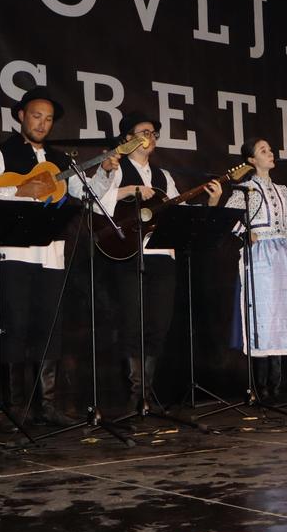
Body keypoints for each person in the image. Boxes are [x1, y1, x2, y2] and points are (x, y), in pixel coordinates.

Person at [0, 86, 85, 427]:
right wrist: (18, 190)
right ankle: (12, 407)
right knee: (14, 328)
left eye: (48, 119)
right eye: (36, 116)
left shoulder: (62, 160)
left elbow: (90, 195)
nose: (42, 123)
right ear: (21, 116)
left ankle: (46, 405)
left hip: (51, 253)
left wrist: (106, 171)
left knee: (49, 328)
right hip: (13, 252)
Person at [88, 111, 222, 412]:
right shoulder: (116, 168)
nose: (150, 137)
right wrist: (129, 190)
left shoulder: (164, 177)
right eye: (143, 132)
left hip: (161, 257)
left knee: (158, 326)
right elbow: (96, 201)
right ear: (127, 139)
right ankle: (134, 396)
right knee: (132, 325)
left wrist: (211, 202)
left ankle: (147, 395)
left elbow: (179, 213)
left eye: (153, 133)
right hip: (128, 255)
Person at [225, 137, 287, 401]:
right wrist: (244, 231)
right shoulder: (245, 190)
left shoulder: (283, 190)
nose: (270, 153)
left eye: (270, 149)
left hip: (281, 254)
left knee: (282, 315)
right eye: (263, 151)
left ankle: (276, 384)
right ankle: (259, 385)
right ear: (251, 160)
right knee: (263, 315)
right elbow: (227, 217)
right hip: (260, 254)